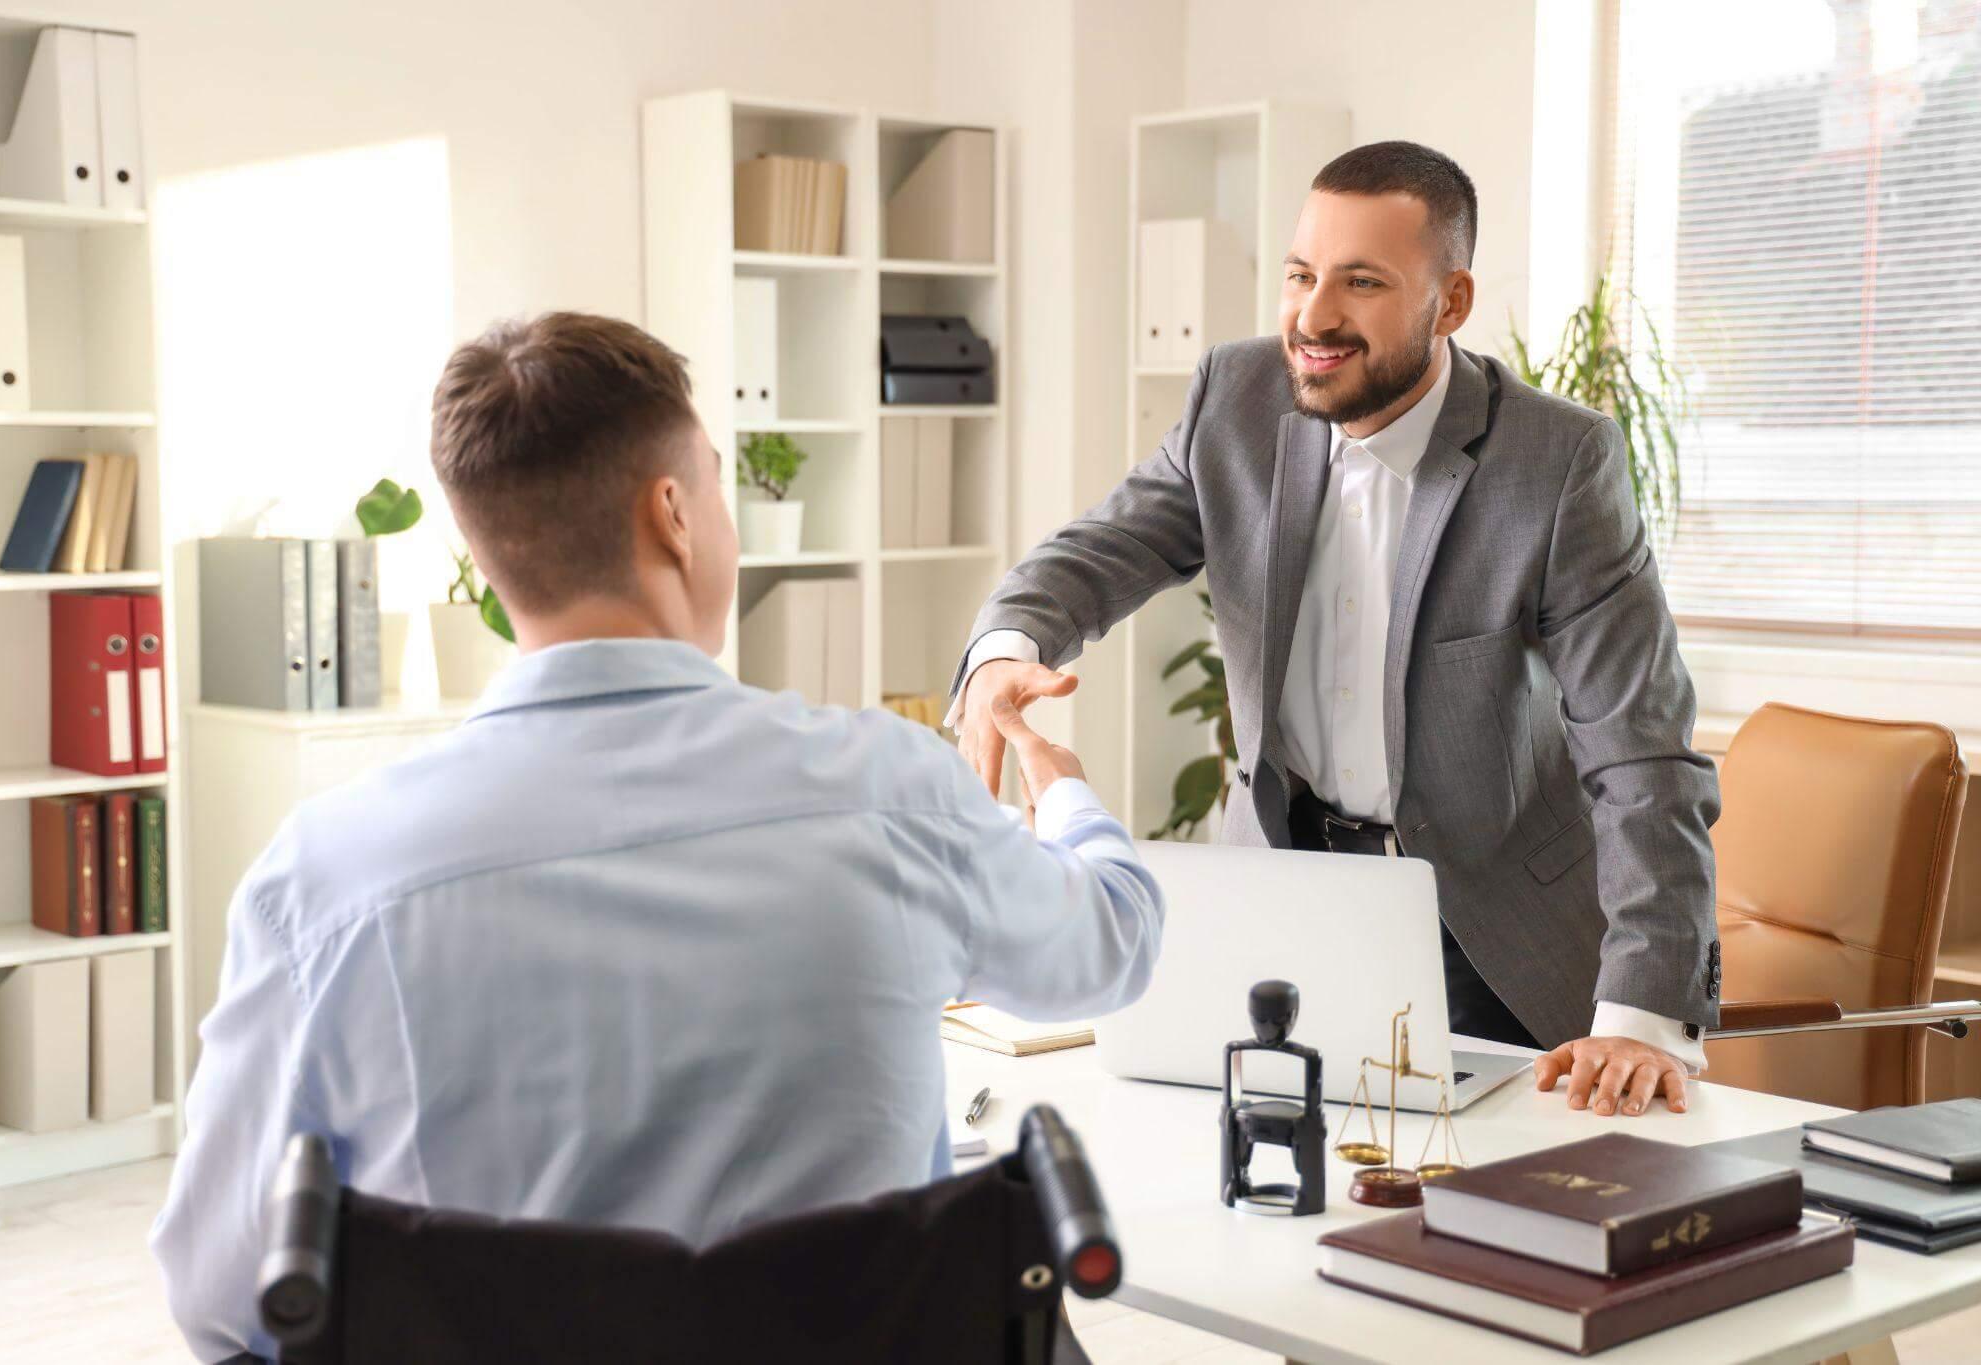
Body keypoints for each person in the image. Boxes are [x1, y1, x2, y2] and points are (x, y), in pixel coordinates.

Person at [151, 312, 1163, 1362]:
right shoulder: (893, 791)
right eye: (719, 488)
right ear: (672, 514)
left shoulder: (324, 879)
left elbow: (220, 1295)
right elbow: (1112, 948)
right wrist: (1066, 799)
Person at [951, 141, 1720, 1120]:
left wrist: (1641, 1017)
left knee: (1501, 1224)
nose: (1312, 317)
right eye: (1300, 276)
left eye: (1359, 283)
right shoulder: (1233, 398)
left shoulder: (1555, 463)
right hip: (1286, 894)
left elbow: (1639, 753)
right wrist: (1005, 652)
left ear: (1448, 303)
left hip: (1493, 930)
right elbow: (1097, 552)